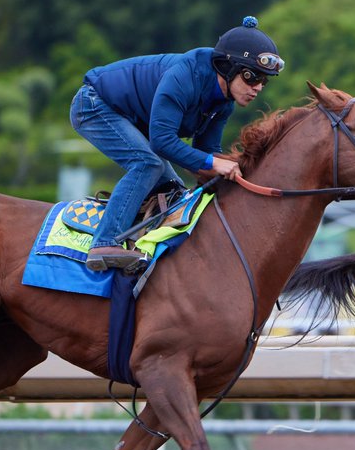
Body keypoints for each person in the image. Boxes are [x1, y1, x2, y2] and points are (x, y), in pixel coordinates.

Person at [71, 16, 285, 271]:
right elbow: (162, 142)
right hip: (94, 105)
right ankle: (104, 244)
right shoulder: (185, 76)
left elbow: (206, 153)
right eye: (252, 77)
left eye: (264, 81)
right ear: (228, 68)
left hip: (135, 121)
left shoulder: (224, 104)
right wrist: (213, 163)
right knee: (147, 164)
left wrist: (234, 174)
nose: (258, 87)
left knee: (173, 189)